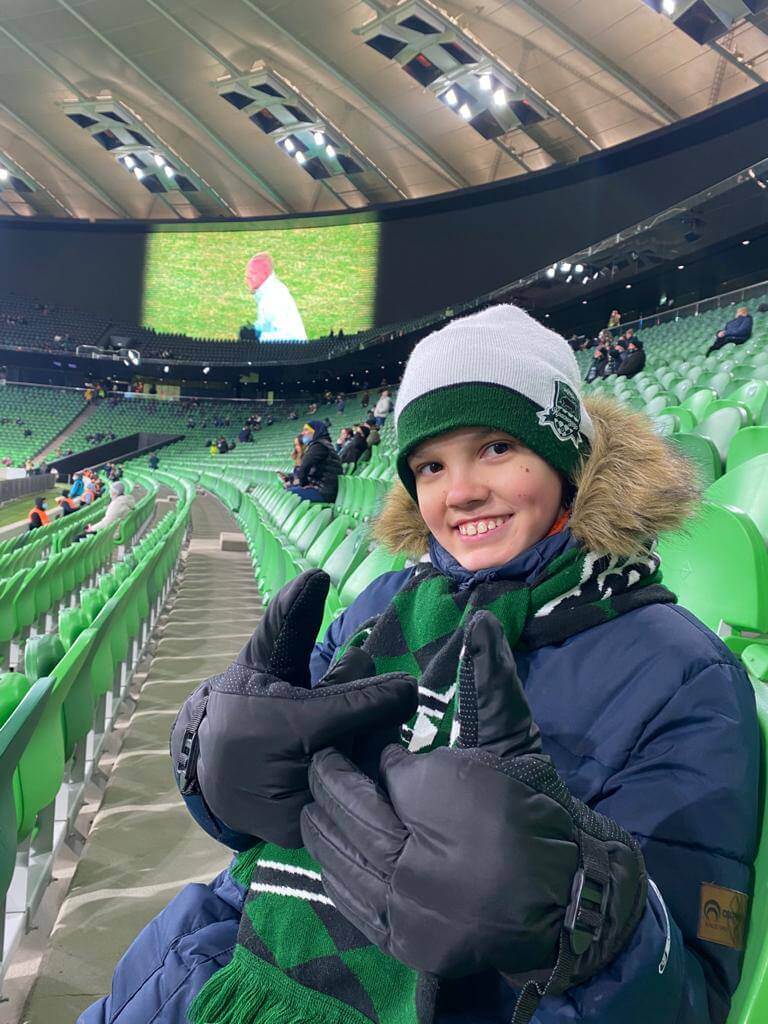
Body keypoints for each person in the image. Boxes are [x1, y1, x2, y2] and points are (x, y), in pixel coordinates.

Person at [82, 304, 758, 1024]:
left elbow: (686, 996)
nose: (459, 492)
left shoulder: (685, 675)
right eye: (431, 465)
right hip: (209, 971)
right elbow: (260, 821)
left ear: (565, 455)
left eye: (496, 447)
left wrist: (574, 917)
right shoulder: (387, 599)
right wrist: (209, 758)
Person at [244, 252, 308, 342]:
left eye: (253, 273)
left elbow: (290, 337)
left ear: (265, 274)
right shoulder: (268, 293)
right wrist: (255, 328)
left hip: (295, 350)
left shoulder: (274, 297)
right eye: (247, 274)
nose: (248, 278)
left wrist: (258, 336)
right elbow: (268, 325)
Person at [284, 419, 342, 502]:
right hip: (323, 488)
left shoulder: (319, 446)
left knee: (285, 494)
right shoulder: (323, 444)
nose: (302, 433)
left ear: (315, 431)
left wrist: (304, 484)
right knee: (288, 488)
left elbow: (304, 466)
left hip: (324, 491)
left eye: (306, 430)